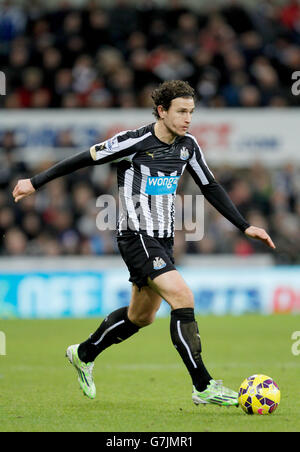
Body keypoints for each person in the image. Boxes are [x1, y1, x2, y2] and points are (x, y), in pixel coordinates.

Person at [12, 80, 275, 407]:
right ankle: (203, 386)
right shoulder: (134, 141)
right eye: (181, 111)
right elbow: (84, 158)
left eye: (191, 112)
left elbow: (210, 186)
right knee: (182, 296)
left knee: (142, 317)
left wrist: (245, 226)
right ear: (162, 111)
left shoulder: (188, 146)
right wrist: (34, 183)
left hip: (163, 240)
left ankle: (83, 353)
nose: (187, 118)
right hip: (136, 235)